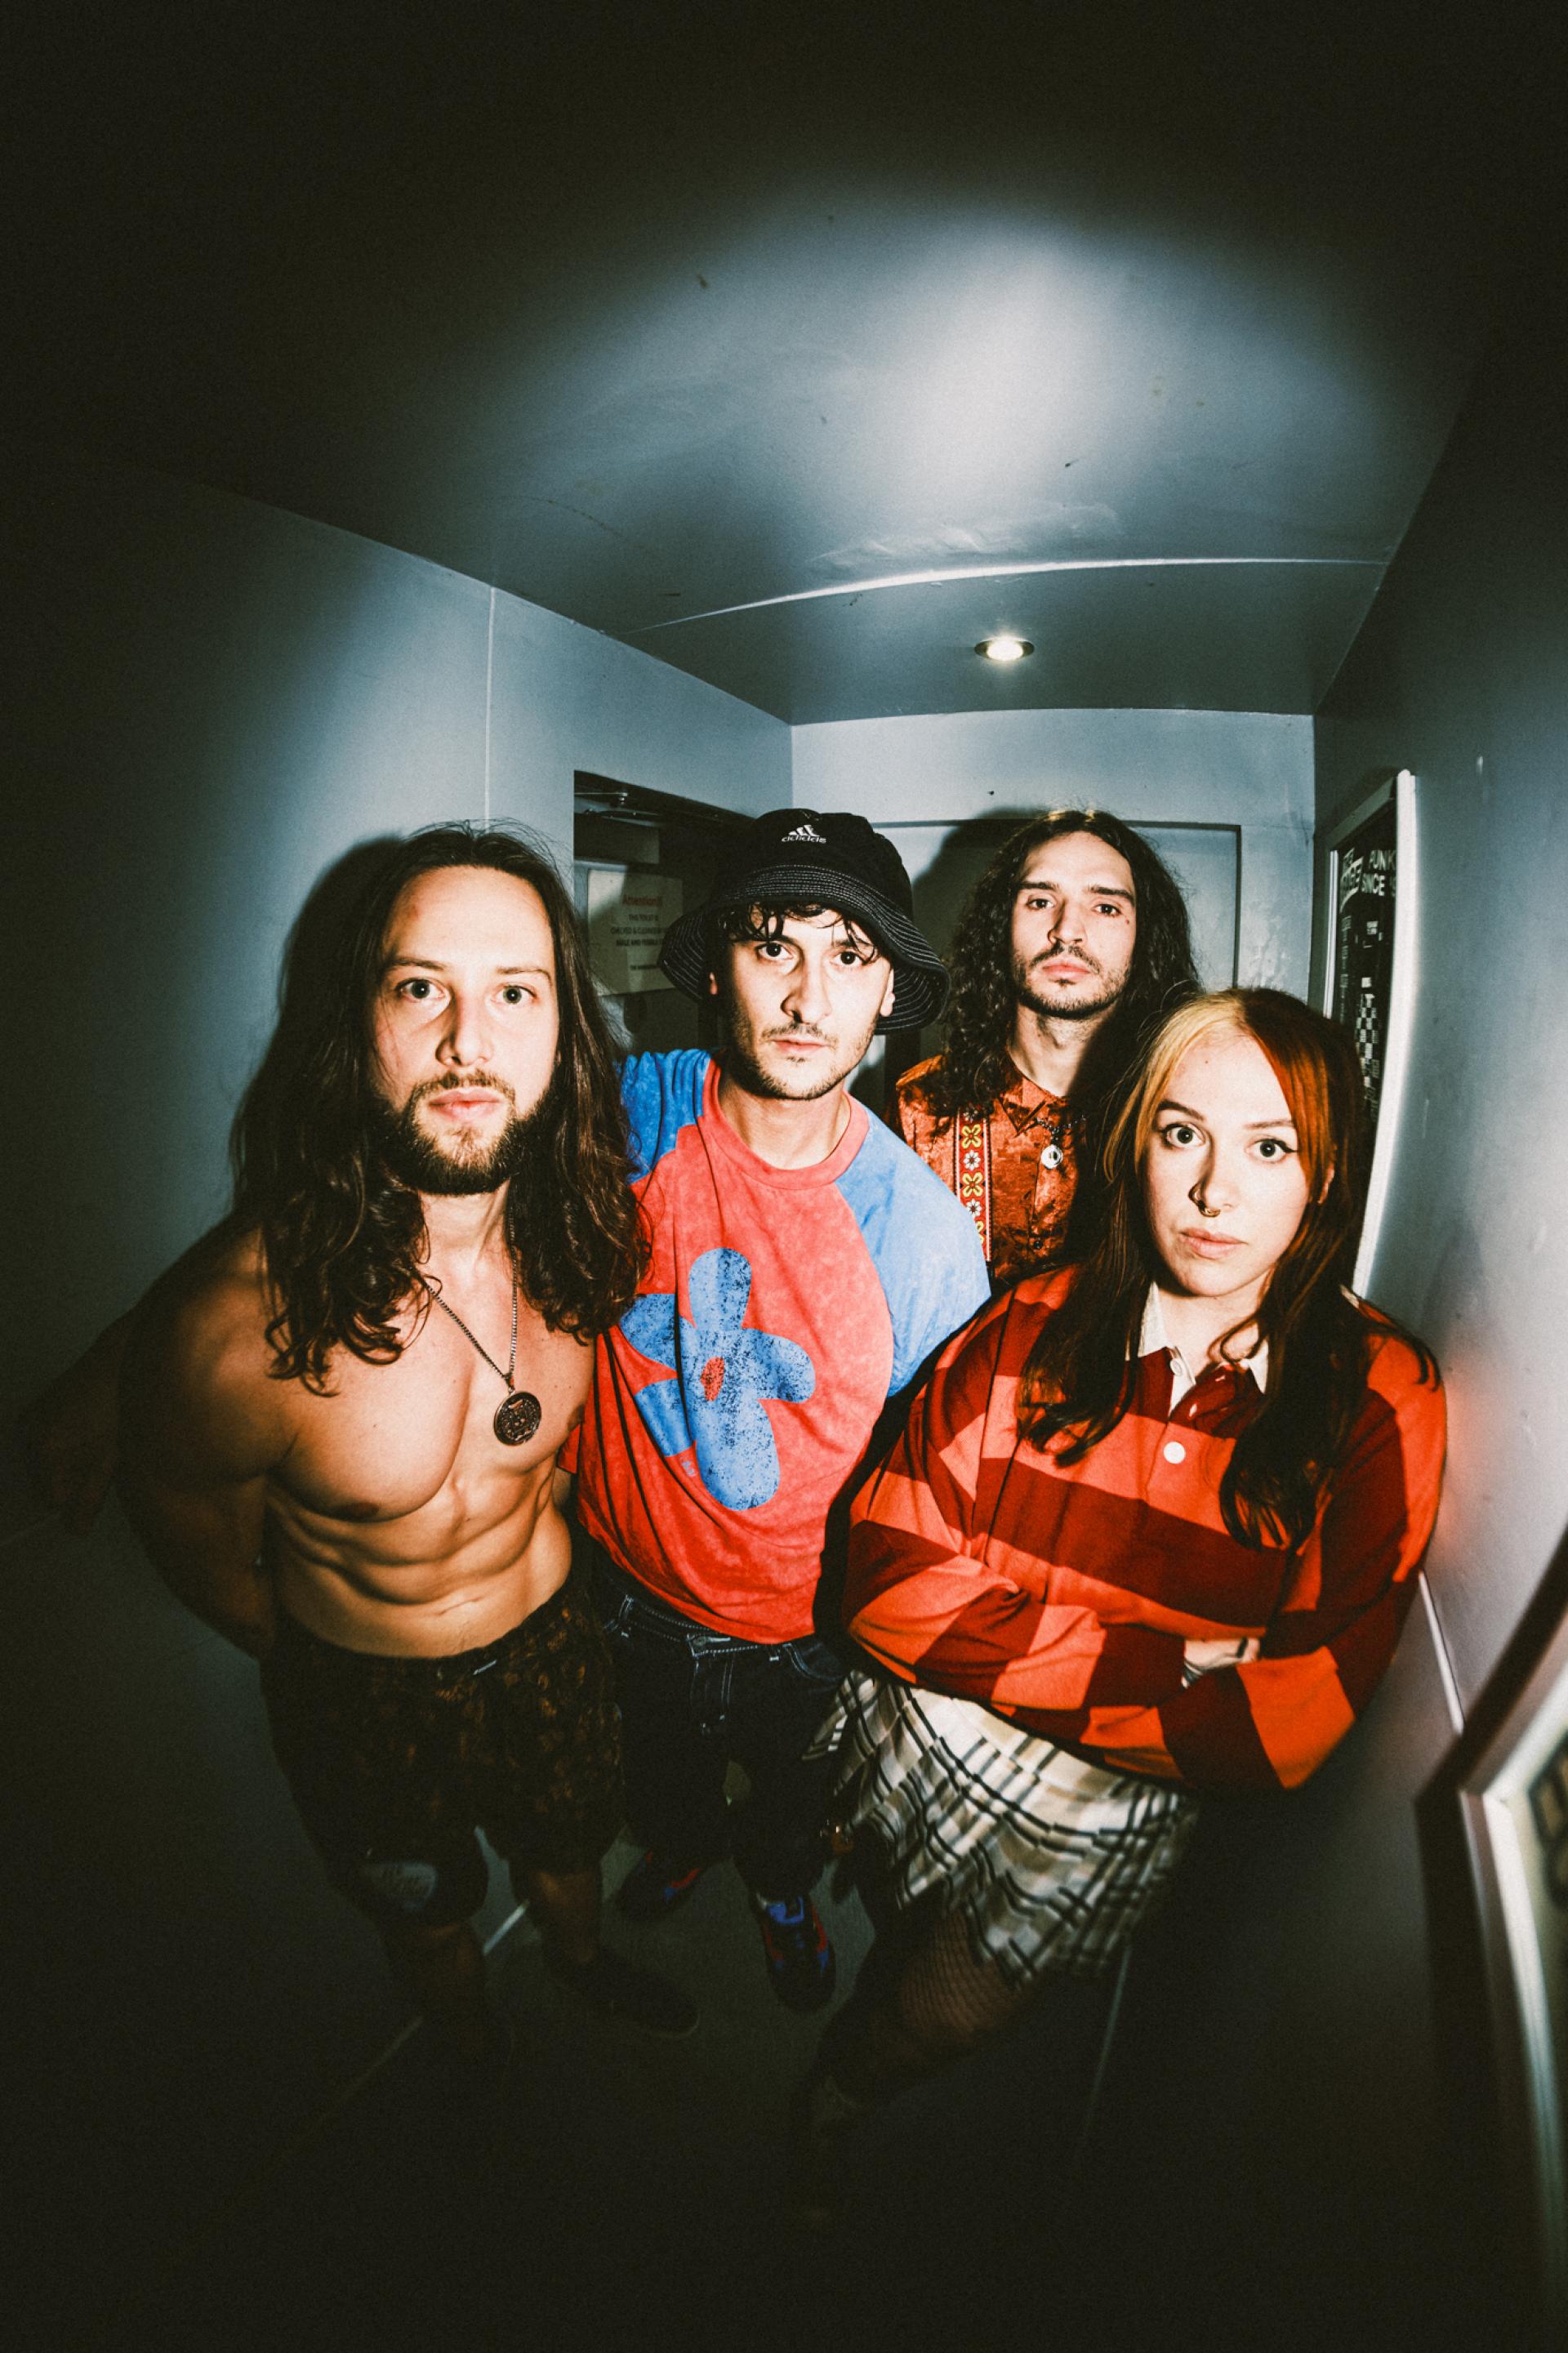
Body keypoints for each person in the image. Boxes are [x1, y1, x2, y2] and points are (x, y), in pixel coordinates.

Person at [793, 987, 1446, 2208]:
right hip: (932, 1731)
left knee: (945, 2012)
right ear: (1135, 1142)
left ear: (1326, 1172)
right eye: (1182, 1133)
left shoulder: (1378, 1396)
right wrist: (1173, 1665)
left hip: (1100, 1811)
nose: (1214, 1192)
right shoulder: (1033, 1318)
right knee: (881, 1881)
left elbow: (1284, 1729)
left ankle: (835, 2097)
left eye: (1270, 1148)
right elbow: (878, 1581)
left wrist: (981, 1615)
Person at [114, 825, 696, 2065]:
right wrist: (317, 1655)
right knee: (425, 1911)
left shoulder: (589, 1237)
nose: (467, 1041)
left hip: (554, 1644)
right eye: (420, 986)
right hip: (363, 1692)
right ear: (357, 1025)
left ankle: (581, 1965)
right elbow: (190, 1531)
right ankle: (472, 2054)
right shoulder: (238, 1329)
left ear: (564, 1034)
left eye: (516, 993)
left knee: (571, 1854)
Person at [572, 808, 990, 2012]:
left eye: (850, 955)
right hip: (629, 1596)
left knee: (795, 1807)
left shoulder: (923, 1237)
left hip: (810, 1632)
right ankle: (683, 1845)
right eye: (773, 946)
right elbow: (417, 1181)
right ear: (716, 969)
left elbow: (941, 1494)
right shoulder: (629, 1122)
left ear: (889, 994)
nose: (808, 996)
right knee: (659, 1783)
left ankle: (780, 1892)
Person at [891, 808, 1198, 1285]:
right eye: (1039, 901)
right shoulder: (918, 1110)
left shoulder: (1181, 1114)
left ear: (1144, 937)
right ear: (1001, 926)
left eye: (1106, 907)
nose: (1067, 929)